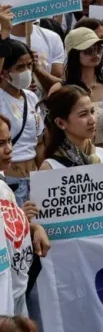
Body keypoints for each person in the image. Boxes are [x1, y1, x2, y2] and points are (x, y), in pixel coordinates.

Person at [33, 85, 103, 217]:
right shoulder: (49, 168)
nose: (92, 120)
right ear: (60, 123)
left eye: (92, 111)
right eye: (83, 114)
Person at [0, 112, 50, 316]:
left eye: (10, 140)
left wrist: (33, 228)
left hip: (17, 293)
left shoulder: (3, 188)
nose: (9, 149)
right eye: (0, 143)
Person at [48, 28, 103, 147]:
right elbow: (52, 132)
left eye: (98, 48)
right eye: (88, 50)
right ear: (74, 54)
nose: (95, 54)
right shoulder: (59, 90)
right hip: (72, 156)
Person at [0, 39, 44, 207]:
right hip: (11, 182)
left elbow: (39, 142)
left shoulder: (31, 97)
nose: (26, 71)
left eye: (29, 65)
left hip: (34, 180)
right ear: (4, 73)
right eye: (19, 67)